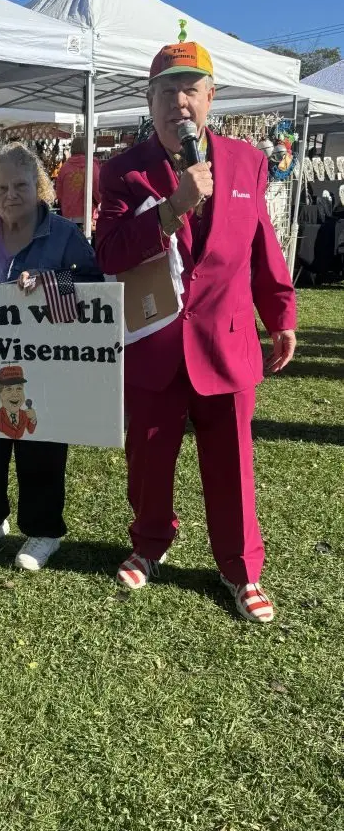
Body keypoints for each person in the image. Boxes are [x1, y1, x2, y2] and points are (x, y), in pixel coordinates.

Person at [95, 39, 297, 623]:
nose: (177, 103)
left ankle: (241, 569)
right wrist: (171, 209)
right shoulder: (123, 171)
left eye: (189, 90)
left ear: (211, 98)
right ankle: (150, 542)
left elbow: (261, 244)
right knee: (149, 457)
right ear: (149, 100)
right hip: (154, 342)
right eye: (165, 92)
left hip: (226, 341)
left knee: (232, 462)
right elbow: (109, 253)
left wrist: (280, 314)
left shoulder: (247, 161)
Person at [0, 142, 103, 571]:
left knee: (40, 447)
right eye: (1, 188)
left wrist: (51, 283)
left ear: (39, 186)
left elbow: (95, 290)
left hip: (45, 366)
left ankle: (44, 530)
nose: (11, 195)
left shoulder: (64, 234)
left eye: (20, 186)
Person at [55, 136, 100, 230]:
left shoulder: (65, 167)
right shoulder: (92, 166)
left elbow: (59, 192)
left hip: (69, 213)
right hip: (88, 213)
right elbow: (98, 190)